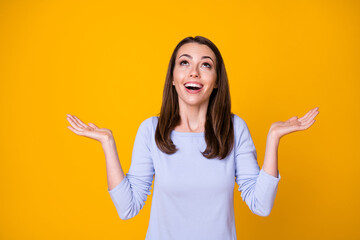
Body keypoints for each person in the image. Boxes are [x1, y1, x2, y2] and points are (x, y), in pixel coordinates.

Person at [66, 36, 319, 240]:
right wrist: (108, 143)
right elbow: (127, 207)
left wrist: (274, 137)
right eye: (184, 63)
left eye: (206, 65)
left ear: (217, 81)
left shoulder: (234, 128)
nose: (194, 72)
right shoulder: (151, 130)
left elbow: (261, 205)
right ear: (173, 79)